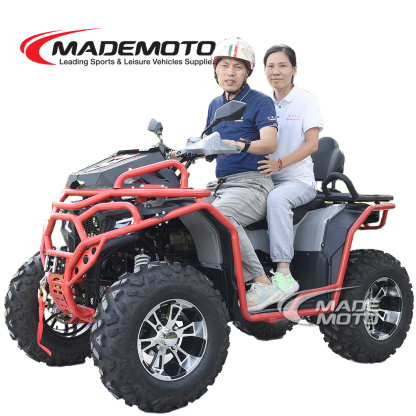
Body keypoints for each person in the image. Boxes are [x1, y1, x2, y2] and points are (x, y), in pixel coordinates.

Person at [204, 37, 283, 313]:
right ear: (215, 70)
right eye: (224, 66)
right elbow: (210, 144)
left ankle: (263, 283)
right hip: (222, 185)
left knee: (220, 216)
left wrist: (242, 145)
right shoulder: (215, 105)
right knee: (181, 214)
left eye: (238, 67)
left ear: (247, 72)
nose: (230, 72)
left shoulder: (260, 102)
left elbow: (270, 143)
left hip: (253, 183)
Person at [258, 44, 323, 303]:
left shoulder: (305, 101)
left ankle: (284, 274)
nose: (276, 71)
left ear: (294, 69)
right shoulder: (261, 103)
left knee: (277, 199)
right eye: (270, 66)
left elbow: (312, 144)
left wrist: (280, 163)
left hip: (298, 180)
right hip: (265, 179)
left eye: (282, 65)